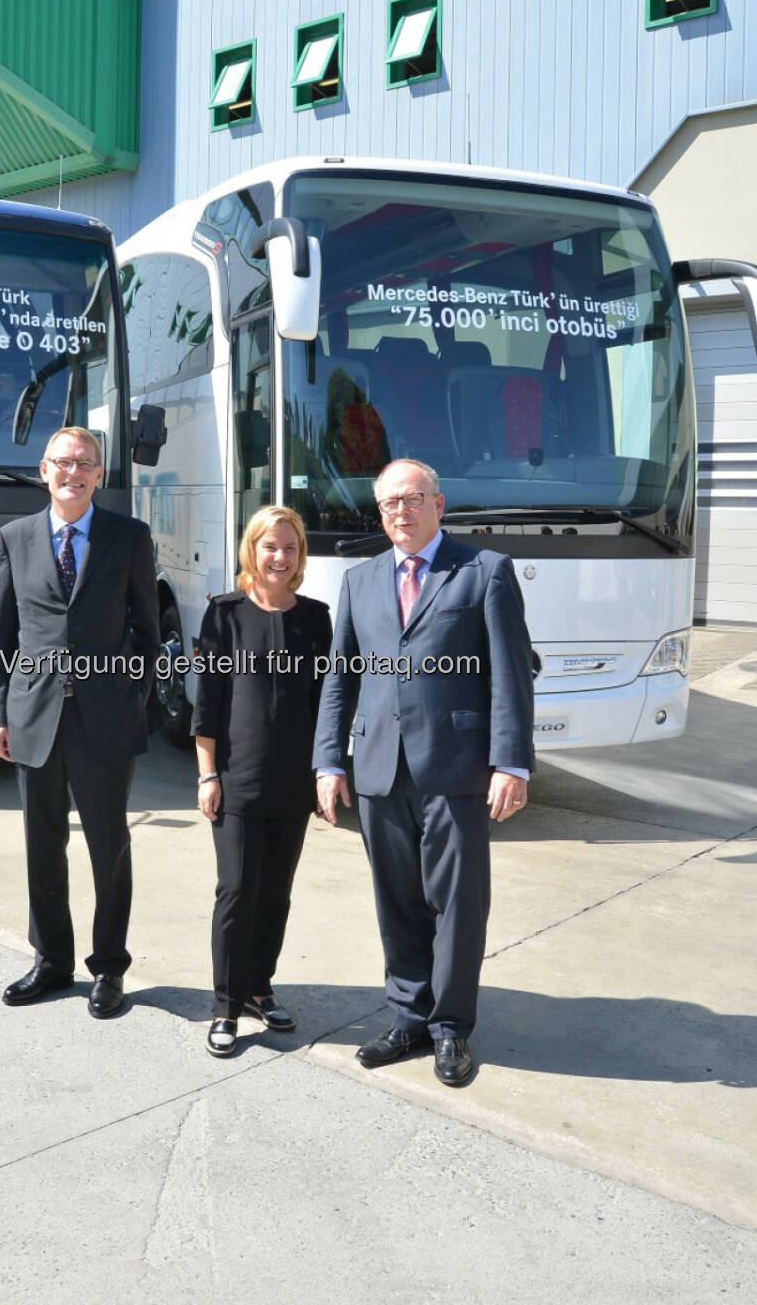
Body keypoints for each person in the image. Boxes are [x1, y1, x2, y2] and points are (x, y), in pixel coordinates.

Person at [313, 459, 534, 1086]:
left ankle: (450, 1029)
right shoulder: (359, 581)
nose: (401, 512)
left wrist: (510, 762)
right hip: (380, 768)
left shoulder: (484, 571)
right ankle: (407, 1018)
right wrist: (329, 760)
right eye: (389, 504)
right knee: (398, 902)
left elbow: (511, 675)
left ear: (440, 504)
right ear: (378, 514)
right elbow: (340, 680)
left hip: (457, 768)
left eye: (413, 500)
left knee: (459, 905)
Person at [0, 426, 160, 1019]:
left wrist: (129, 696)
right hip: (34, 716)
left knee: (109, 847)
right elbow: (1, 636)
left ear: (98, 473)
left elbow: (147, 632)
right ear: (44, 469)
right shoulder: (14, 538)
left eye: (86, 463)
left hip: (105, 721)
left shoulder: (129, 537)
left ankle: (109, 967)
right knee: (43, 845)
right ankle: (51, 961)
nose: (74, 472)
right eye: (64, 461)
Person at [192, 506, 332, 1058]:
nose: (280, 557)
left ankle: (258, 988)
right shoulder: (225, 614)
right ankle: (224, 1006)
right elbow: (208, 705)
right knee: (236, 892)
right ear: (253, 549)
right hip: (236, 778)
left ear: (300, 556)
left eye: (290, 548)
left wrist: (327, 772)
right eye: (270, 546)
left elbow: (327, 704)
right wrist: (208, 775)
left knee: (275, 894)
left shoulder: (316, 618)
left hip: (293, 781)